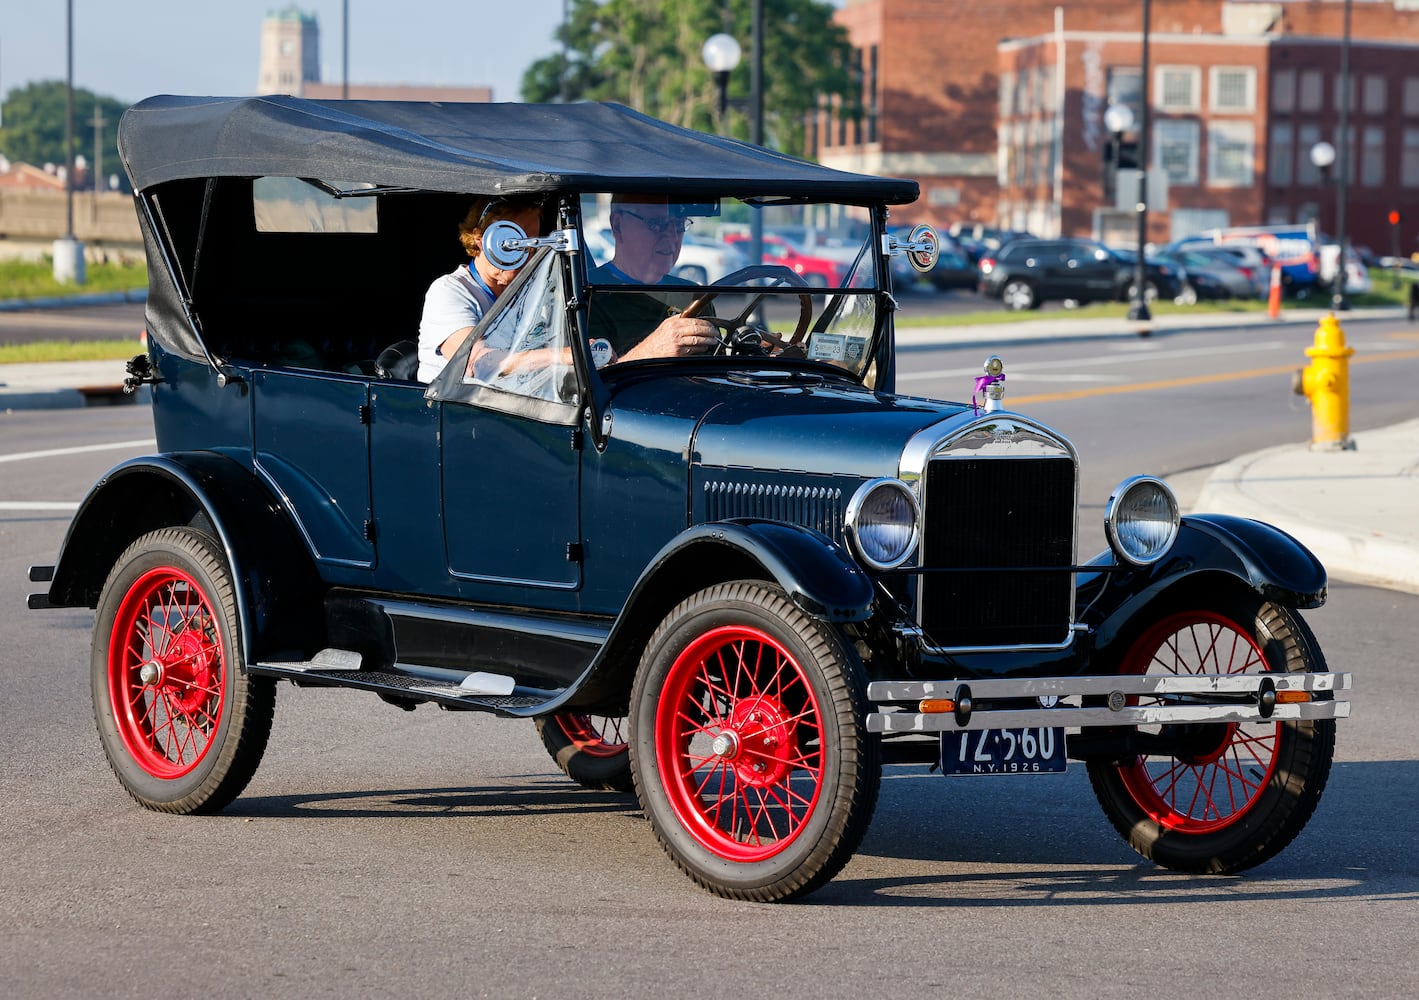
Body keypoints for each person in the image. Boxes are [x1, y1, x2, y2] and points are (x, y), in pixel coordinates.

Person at [418, 195, 543, 382]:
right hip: (458, 407)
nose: (527, 255)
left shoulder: (532, 291)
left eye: (533, 245)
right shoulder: (448, 291)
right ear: (480, 240)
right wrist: (561, 357)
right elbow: (478, 362)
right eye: (514, 243)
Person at [588, 194, 721, 362]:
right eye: (657, 224)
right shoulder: (585, 294)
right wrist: (651, 351)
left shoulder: (693, 296)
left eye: (679, 224)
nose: (672, 237)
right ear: (618, 225)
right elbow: (584, 382)